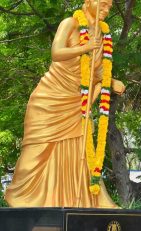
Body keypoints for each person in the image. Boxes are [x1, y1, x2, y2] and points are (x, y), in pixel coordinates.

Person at [5, 0, 125, 208]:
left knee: (81, 151)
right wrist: (85, 47)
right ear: (89, 2)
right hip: (49, 99)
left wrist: (111, 81)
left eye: (109, 7)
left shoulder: (103, 36)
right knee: (35, 155)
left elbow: (95, 74)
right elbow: (56, 53)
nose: (106, 10)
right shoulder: (71, 23)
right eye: (103, 5)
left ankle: (90, 202)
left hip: (76, 102)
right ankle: (20, 199)